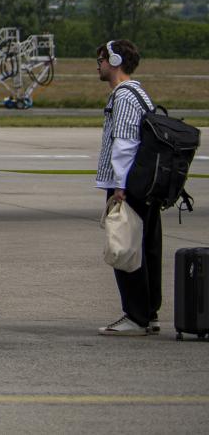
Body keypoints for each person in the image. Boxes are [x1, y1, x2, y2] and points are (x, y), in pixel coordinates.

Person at [94, 38, 161, 336]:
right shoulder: (139, 93)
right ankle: (149, 313)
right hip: (144, 184)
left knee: (125, 249)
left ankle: (135, 315)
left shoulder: (123, 96)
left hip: (128, 185)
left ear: (116, 62)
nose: (98, 65)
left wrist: (120, 185)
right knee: (146, 248)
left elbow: (124, 143)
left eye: (102, 60)